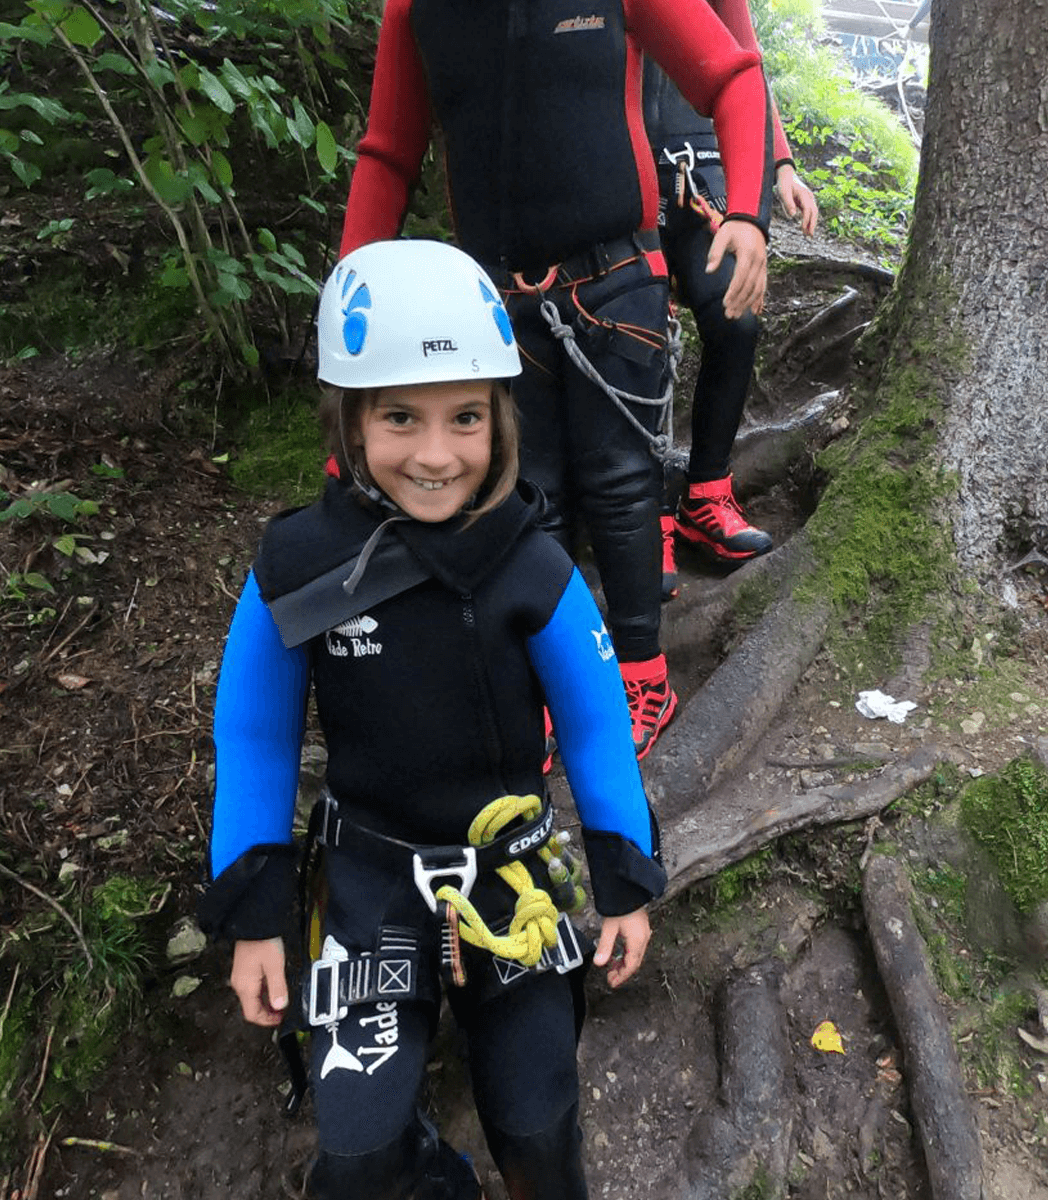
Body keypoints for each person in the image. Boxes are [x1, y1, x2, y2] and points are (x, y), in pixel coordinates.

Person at [199, 240, 668, 1200]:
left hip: (511, 881)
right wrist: (255, 916)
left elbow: (593, 724)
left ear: (500, 419)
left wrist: (624, 878)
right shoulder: (300, 569)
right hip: (370, 883)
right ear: (351, 417)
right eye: (400, 418)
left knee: (540, 1137)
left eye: (464, 418)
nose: (435, 453)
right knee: (359, 1167)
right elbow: (254, 736)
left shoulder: (531, 565)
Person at [339, 0, 776, 758]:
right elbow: (388, 155)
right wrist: (347, 313)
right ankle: (551, 677)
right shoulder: (416, 11)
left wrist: (748, 211)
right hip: (499, 299)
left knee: (620, 482)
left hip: (618, 279)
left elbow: (732, 75)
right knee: (528, 494)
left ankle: (644, 675)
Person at [643, 0, 819, 598]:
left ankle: (705, 493)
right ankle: (646, 514)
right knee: (639, 332)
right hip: (625, 173)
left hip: (703, 177)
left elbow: (747, 66)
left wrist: (782, 165)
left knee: (735, 317)